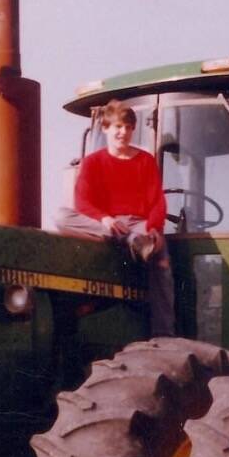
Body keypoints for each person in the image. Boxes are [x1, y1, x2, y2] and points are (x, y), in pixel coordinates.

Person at [55, 99, 175, 336]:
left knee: (161, 260)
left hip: (138, 223)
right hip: (107, 224)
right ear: (106, 128)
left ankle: (165, 335)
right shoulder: (92, 163)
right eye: (118, 127)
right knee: (61, 216)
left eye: (129, 128)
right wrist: (105, 219)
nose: (123, 133)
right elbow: (82, 202)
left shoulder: (145, 161)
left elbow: (157, 201)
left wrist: (154, 229)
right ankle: (130, 241)